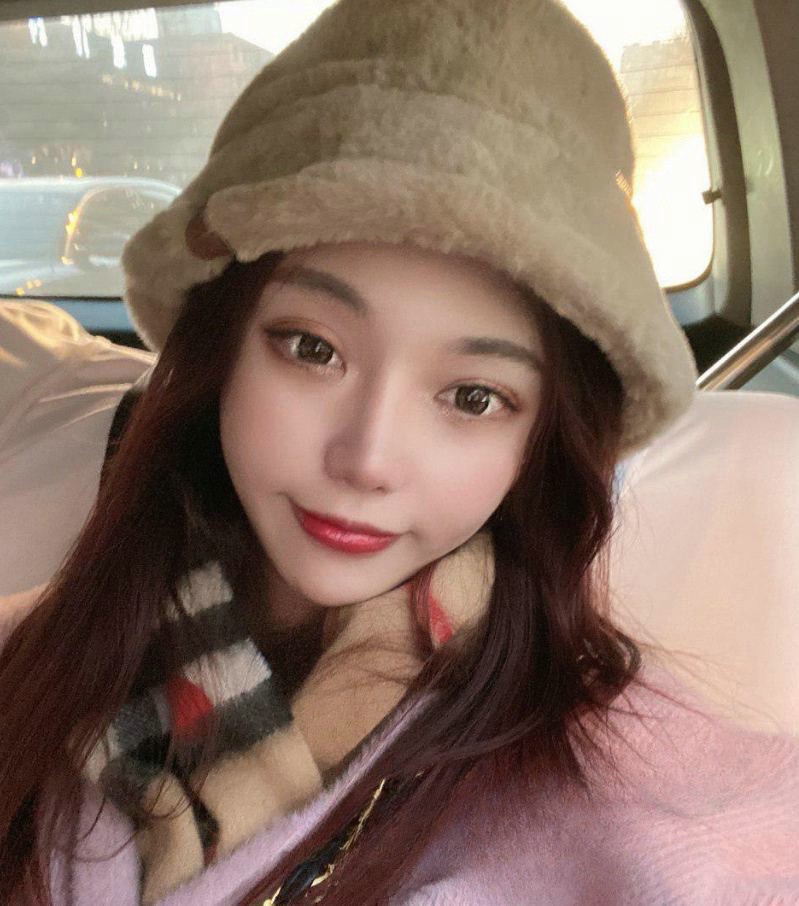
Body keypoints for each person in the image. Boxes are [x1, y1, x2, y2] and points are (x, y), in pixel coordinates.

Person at [0, 0, 797, 904]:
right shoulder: (38, 657)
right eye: (312, 348)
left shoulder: (644, 814)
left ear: (539, 439)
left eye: (472, 398)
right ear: (221, 347)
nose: (367, 459)